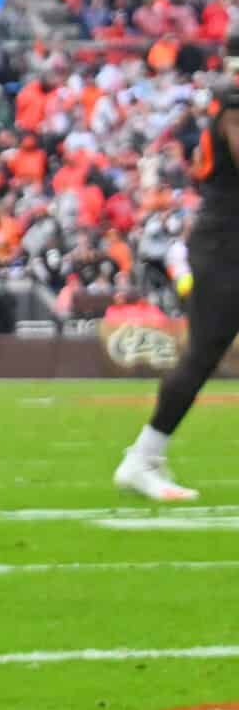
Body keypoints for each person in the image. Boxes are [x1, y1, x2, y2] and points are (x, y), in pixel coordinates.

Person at [116, 36, 239, 502]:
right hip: (228, 244)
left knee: (203, 354)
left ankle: (143, 457)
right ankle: (143, 457)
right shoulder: (233, 102)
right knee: (203, 354)